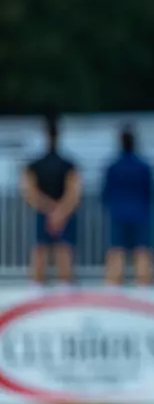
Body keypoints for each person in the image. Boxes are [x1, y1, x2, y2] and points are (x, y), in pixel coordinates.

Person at [21, 116, 82, 284]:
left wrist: (48, 209)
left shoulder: (34, 165)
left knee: (40, 251)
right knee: (64, 251)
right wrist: (60, 211)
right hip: (64, 214)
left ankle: (37, 289)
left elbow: (29, 192)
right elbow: (74, 193)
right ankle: (65, 289)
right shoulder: (68, 164)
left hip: (43, 212)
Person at [102, 126, 154, 285]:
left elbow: (105, 193)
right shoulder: (144, 167)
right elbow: (150, 191)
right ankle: (145, 288)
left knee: (117, 251)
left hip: (118, 212)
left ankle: (113, 288)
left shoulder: (113, 167)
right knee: (142, 251)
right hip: (140, 212)